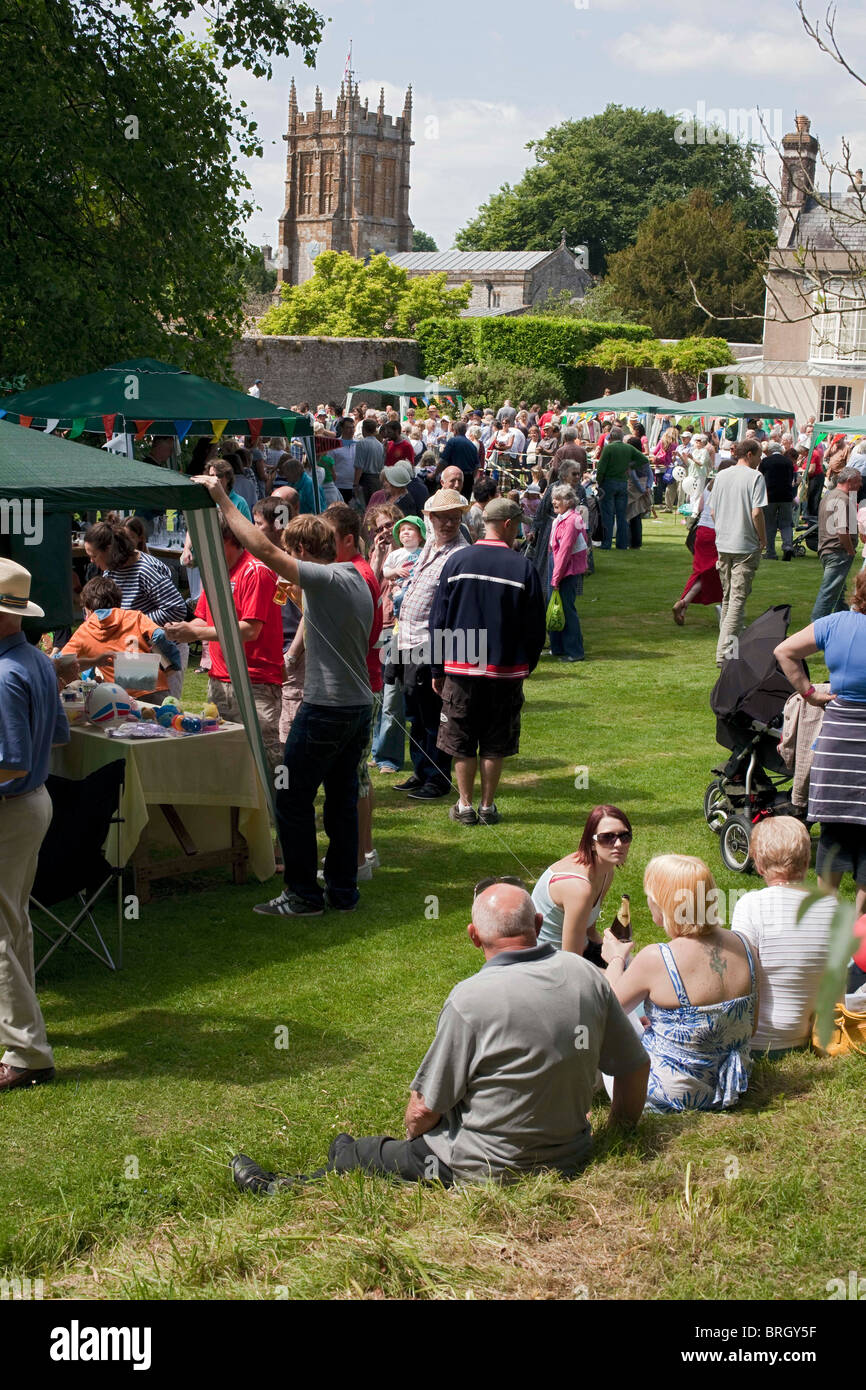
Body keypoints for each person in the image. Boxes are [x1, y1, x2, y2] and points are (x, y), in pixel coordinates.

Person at [230, 883, 649, 1191]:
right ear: (538, 924)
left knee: (358, 1152)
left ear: (472, 935)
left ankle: (283, 1187)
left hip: (484, 1168)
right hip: (571, 1159)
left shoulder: (471, 999)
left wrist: (417, 1139)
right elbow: (634, 1065)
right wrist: (618, 1133)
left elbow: (425, 1108)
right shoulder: (584, 976)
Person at [192, 478, 374, 917]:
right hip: (356, 708)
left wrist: (220, 497)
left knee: (291, 799)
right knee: (341, 799)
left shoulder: (325, 577)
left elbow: (264, 550)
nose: (289, 557)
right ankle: (342, 892)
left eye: (294, 551)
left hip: (326, 709)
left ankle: (302, 896)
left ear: (305, 553)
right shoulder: (353, 576)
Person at [602, 855, 757, 1112]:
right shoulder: (745, 945)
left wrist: (616, 959)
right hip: (730, 1085)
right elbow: (751, 1027)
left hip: (669, 1095)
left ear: (663, 904)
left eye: (650, 896)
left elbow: (605, 1013)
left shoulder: (657, 958)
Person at [428, 498, 546, 826]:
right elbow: (536, 626)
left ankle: (465, 805)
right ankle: (487, 805)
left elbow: (438, 618)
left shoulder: (457, 560)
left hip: (461, 666)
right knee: (495, 740)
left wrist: (437, 667)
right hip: (505, 669)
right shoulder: (523, 567)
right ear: (508, 524)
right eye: (519, 524)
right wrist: (527, 665)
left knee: (461, 736)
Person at [0, 561, 70, 1092]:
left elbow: (14, 760)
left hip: (13, 805)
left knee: (4, 931)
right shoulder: (37, 661)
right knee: (14, 922)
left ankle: (27, 1052)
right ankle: (22, 1037)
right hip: (30, 805)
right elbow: (58, 735)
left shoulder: (6, 672)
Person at [775, 569, 866, 916]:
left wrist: (810, 693)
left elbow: (784, 651)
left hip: (837, 742)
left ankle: (823, 920)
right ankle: (860, 929)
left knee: (833, 829)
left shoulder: (834, 624)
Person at [165, 519, 284, 774]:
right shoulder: (217, 572)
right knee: (224, 756)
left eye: (199, 541)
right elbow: (203, 618)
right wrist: (181, 629)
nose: (194, 548)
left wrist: (195, 632)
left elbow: (250, 630)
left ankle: (277, 811)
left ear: (223, 539)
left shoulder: (256, 570)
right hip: (219, 680)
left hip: (256, 682)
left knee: (264, 757)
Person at [731, 818, 835, 1056]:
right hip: (818, 1034)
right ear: (808, 861)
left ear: (758, 865)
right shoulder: (831, 905)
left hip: (761, 1041)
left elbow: (740, 974)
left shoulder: (751, 905)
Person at [393, 489, 469, 802]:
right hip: (407, 641)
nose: (449, 523)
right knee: (415, 713)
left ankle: (437, 779)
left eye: (454, 518)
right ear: (431, 519)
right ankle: (422, 771)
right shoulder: (430, 546)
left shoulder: (459, 554)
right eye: (443, 518)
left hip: (431, 644)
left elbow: (455, 609)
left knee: (434, 715)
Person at [322, 505, 383, 883]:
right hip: (365, 680)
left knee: (354, 779)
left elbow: (363, 638)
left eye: (328, 540)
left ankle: (358, 859)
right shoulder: (358, 569)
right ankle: (367, 851)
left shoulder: (355, 575)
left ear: (347, 539)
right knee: (360, 776)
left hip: (359, 684)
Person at [532, 805, 633, 961]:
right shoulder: (578, 888)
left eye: (624, 836)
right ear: (591, 843)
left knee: (636, 968)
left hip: (577, 953)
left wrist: (619, 959)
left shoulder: (606, 872)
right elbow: (572, 963)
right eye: (607, 837)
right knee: (627, 980)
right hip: (549, 963)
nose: (618, 844)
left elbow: (590, 931)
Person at [59, 576, 180, 702]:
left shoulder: (85, 630)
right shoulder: (134, 616)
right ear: (118, 602)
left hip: (119, 696)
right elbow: (159, 635)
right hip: (153, 687)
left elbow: (62, 661)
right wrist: (173, 663)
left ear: (88, 608)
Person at [709, 438, 767, 665]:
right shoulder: (755, 477)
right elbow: (756, 513)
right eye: (760, 455)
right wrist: (763, 539)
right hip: (744, 546)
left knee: (729, 600)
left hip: (723, 544)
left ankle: (731, 651)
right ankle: (726, 656)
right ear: (750, 454)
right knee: (736, 602)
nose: (761, 460)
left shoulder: (721, 475)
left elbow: (713, 512)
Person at [672, 462, 729, 625]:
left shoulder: (709, 486)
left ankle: (683, 604)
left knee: (702, 572)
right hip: (715, 533)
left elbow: (701, 506)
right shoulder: (725, 489)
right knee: (723, 573)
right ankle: (725, 608)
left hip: (701, 532)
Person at [812, 467, 860, 620]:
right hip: (837, 551)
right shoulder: (843, 499)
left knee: (838, 591)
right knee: (829, 593)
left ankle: (844, 619)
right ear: (849, 481)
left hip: (827, 549)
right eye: (858, 481)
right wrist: (850, 550)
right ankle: (815, 626)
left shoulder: (829, 495)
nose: (860, 485)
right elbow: (842, 530)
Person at [548, 483, 588, 661]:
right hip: (557, 565)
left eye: (559, 499)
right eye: (553, 498)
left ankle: (575, 651)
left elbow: (564, 551)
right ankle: (557, 647)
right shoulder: (561, 518)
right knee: (555, 607)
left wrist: (556, 577)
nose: (554, 501)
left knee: (566, 609)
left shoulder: (572, 520)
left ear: (570, 501)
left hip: (567, 569)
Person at [596, 428, 647, 549]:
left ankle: (607, 543)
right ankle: (622, 544)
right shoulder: (628, 448)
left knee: (608, 515)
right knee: (622, 516)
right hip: (623, 483)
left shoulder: (609, 448)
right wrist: (630, 466)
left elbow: (601, 467)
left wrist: (599, 481)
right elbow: (644, 459)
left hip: (608, 483)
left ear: (611, 438)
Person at [759, 436, 796, 560]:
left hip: (770, 497)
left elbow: (760, 478)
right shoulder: (788, 462)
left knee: (770, 524)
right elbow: (791, 479)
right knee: (786, 523)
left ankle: (771, 552)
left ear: (769, 451)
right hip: (786, 496)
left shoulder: (765, 462)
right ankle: (788, 546)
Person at [440, 421, 480, 500]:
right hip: (468, 479)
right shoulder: (472, 445)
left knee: (450, 501)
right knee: (464, 503)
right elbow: (476, 467)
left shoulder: (452, 441)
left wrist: (435, 474)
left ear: (455, 431)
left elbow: (443, 461)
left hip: (453, 478)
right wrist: (472, 479)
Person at [353, 417, 385, 505]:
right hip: (377, 480)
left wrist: (355, 485)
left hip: (366, 481)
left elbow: (359, 467)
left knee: (365, 507)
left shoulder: (361, 443)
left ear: (363, 429)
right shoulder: (379, 445)